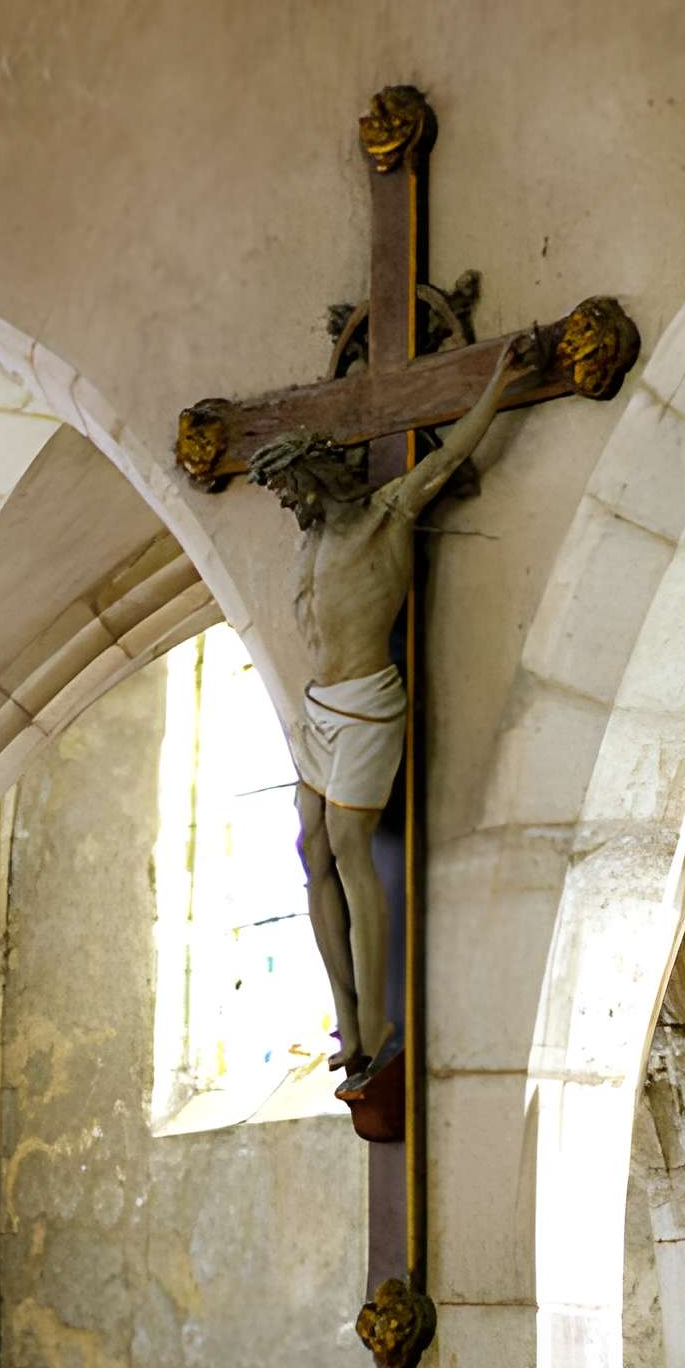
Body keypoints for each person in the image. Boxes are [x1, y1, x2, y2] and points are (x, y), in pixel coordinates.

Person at [248, 338, 524, 1090]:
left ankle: (376, 1022)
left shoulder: (384, 514)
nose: (289, 505)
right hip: (319, 708)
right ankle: (344, 1013)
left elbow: (445, 459)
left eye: (292, 490)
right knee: (311, 850)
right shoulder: (311, 542)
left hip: (368, 699)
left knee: (347, 844)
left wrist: (496, 385)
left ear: (316, 475)